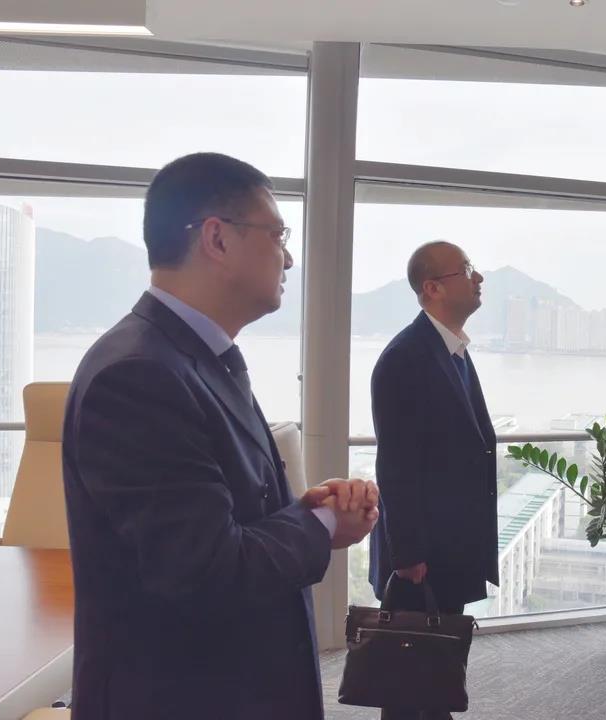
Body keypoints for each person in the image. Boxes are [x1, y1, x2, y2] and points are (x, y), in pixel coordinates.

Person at [61, 152, 378, 720]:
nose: (288, 256)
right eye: (277, 234)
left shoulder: (190, 356)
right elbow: (207, 570)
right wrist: (325, 524)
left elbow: (224, 518)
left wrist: (299, 509)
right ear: (217, 238)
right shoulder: (139, 376)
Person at [369, 241, 499, 720]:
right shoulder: (406, 357)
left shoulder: (451, 349)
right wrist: (408, 554)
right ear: (433, 288)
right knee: (409, 673)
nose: (478, 278)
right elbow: (396, 463)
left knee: (437, 663)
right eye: (467, 269)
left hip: (451, 544)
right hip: (423, 554)